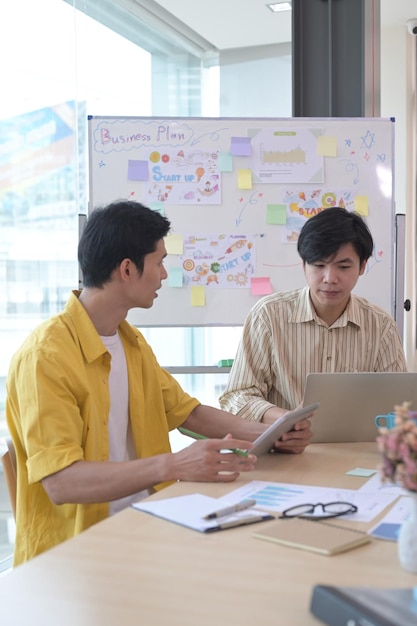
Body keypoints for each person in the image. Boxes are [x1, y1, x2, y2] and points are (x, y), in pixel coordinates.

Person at [6, 200, 314, 566]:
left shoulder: (130, 342)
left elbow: (191, 414)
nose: (165, 275)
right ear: (126, 269)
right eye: (159, 261)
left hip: (147, 526)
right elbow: (62, 482)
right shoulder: (46, 357)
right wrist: (173, 465)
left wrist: (272, 433)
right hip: (75, 557)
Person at [219, 207, 407, 429]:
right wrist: (284, 419)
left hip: (356, 451)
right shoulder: (268, 316)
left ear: (362, 266)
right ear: (304, 265)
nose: (330, 278)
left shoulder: (380, 325)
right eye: (318, 265)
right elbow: (236, 396)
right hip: (283, 450)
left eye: (344, 267)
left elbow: (399, 405)